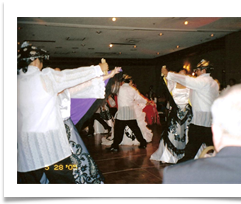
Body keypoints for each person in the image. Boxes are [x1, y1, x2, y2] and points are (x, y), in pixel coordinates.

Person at [17, 41, 109, 184]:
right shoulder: (45, 77)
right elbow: (71, 75)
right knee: (64, 181)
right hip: (52, 147)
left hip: (25, 150)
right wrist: (98, 68)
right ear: (36, 61)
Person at [163, 84, 241, 184]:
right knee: (191, 152)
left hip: (199, 128)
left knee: (191, 152)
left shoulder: (174, 176)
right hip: (198, 127)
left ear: (215, 131)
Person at [54, 67, 120, 184]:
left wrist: (110, 75)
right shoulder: (47, 92)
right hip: (53, 128)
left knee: (73, 156)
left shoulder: (67, 90)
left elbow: (89, 84)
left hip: (67, 128)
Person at [163, 59, 219, 163]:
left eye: (197, 69)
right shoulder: (214, 83)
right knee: (205, 144)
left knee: (195, 143)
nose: (196, 72)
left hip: (200, 119)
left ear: (203, 70)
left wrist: (169, 74)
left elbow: (186, 80)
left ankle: (184, 163)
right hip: (209, 118)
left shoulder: (202, 81)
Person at [150, 68, 192, 163]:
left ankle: (187, 155)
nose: (181, 77)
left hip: (187, 113)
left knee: (187, 134)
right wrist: (164, 70)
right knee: (172, 134)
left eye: (183, 75)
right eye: (179, 74)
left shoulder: (190, 86)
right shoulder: (172, 84)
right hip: (175, 113)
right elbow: (165, 76)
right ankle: (169, 156)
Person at [102, 77, 153, 146]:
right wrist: (147, 102)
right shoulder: (133, 89)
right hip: (130, 112)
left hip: (122, 113)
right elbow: (139, 98)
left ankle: (115, 145)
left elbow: (110, 89)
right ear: (129, 82)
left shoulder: (119, 89)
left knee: (118, 130)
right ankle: (143, 142)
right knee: (135, 129)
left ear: (123, 82)